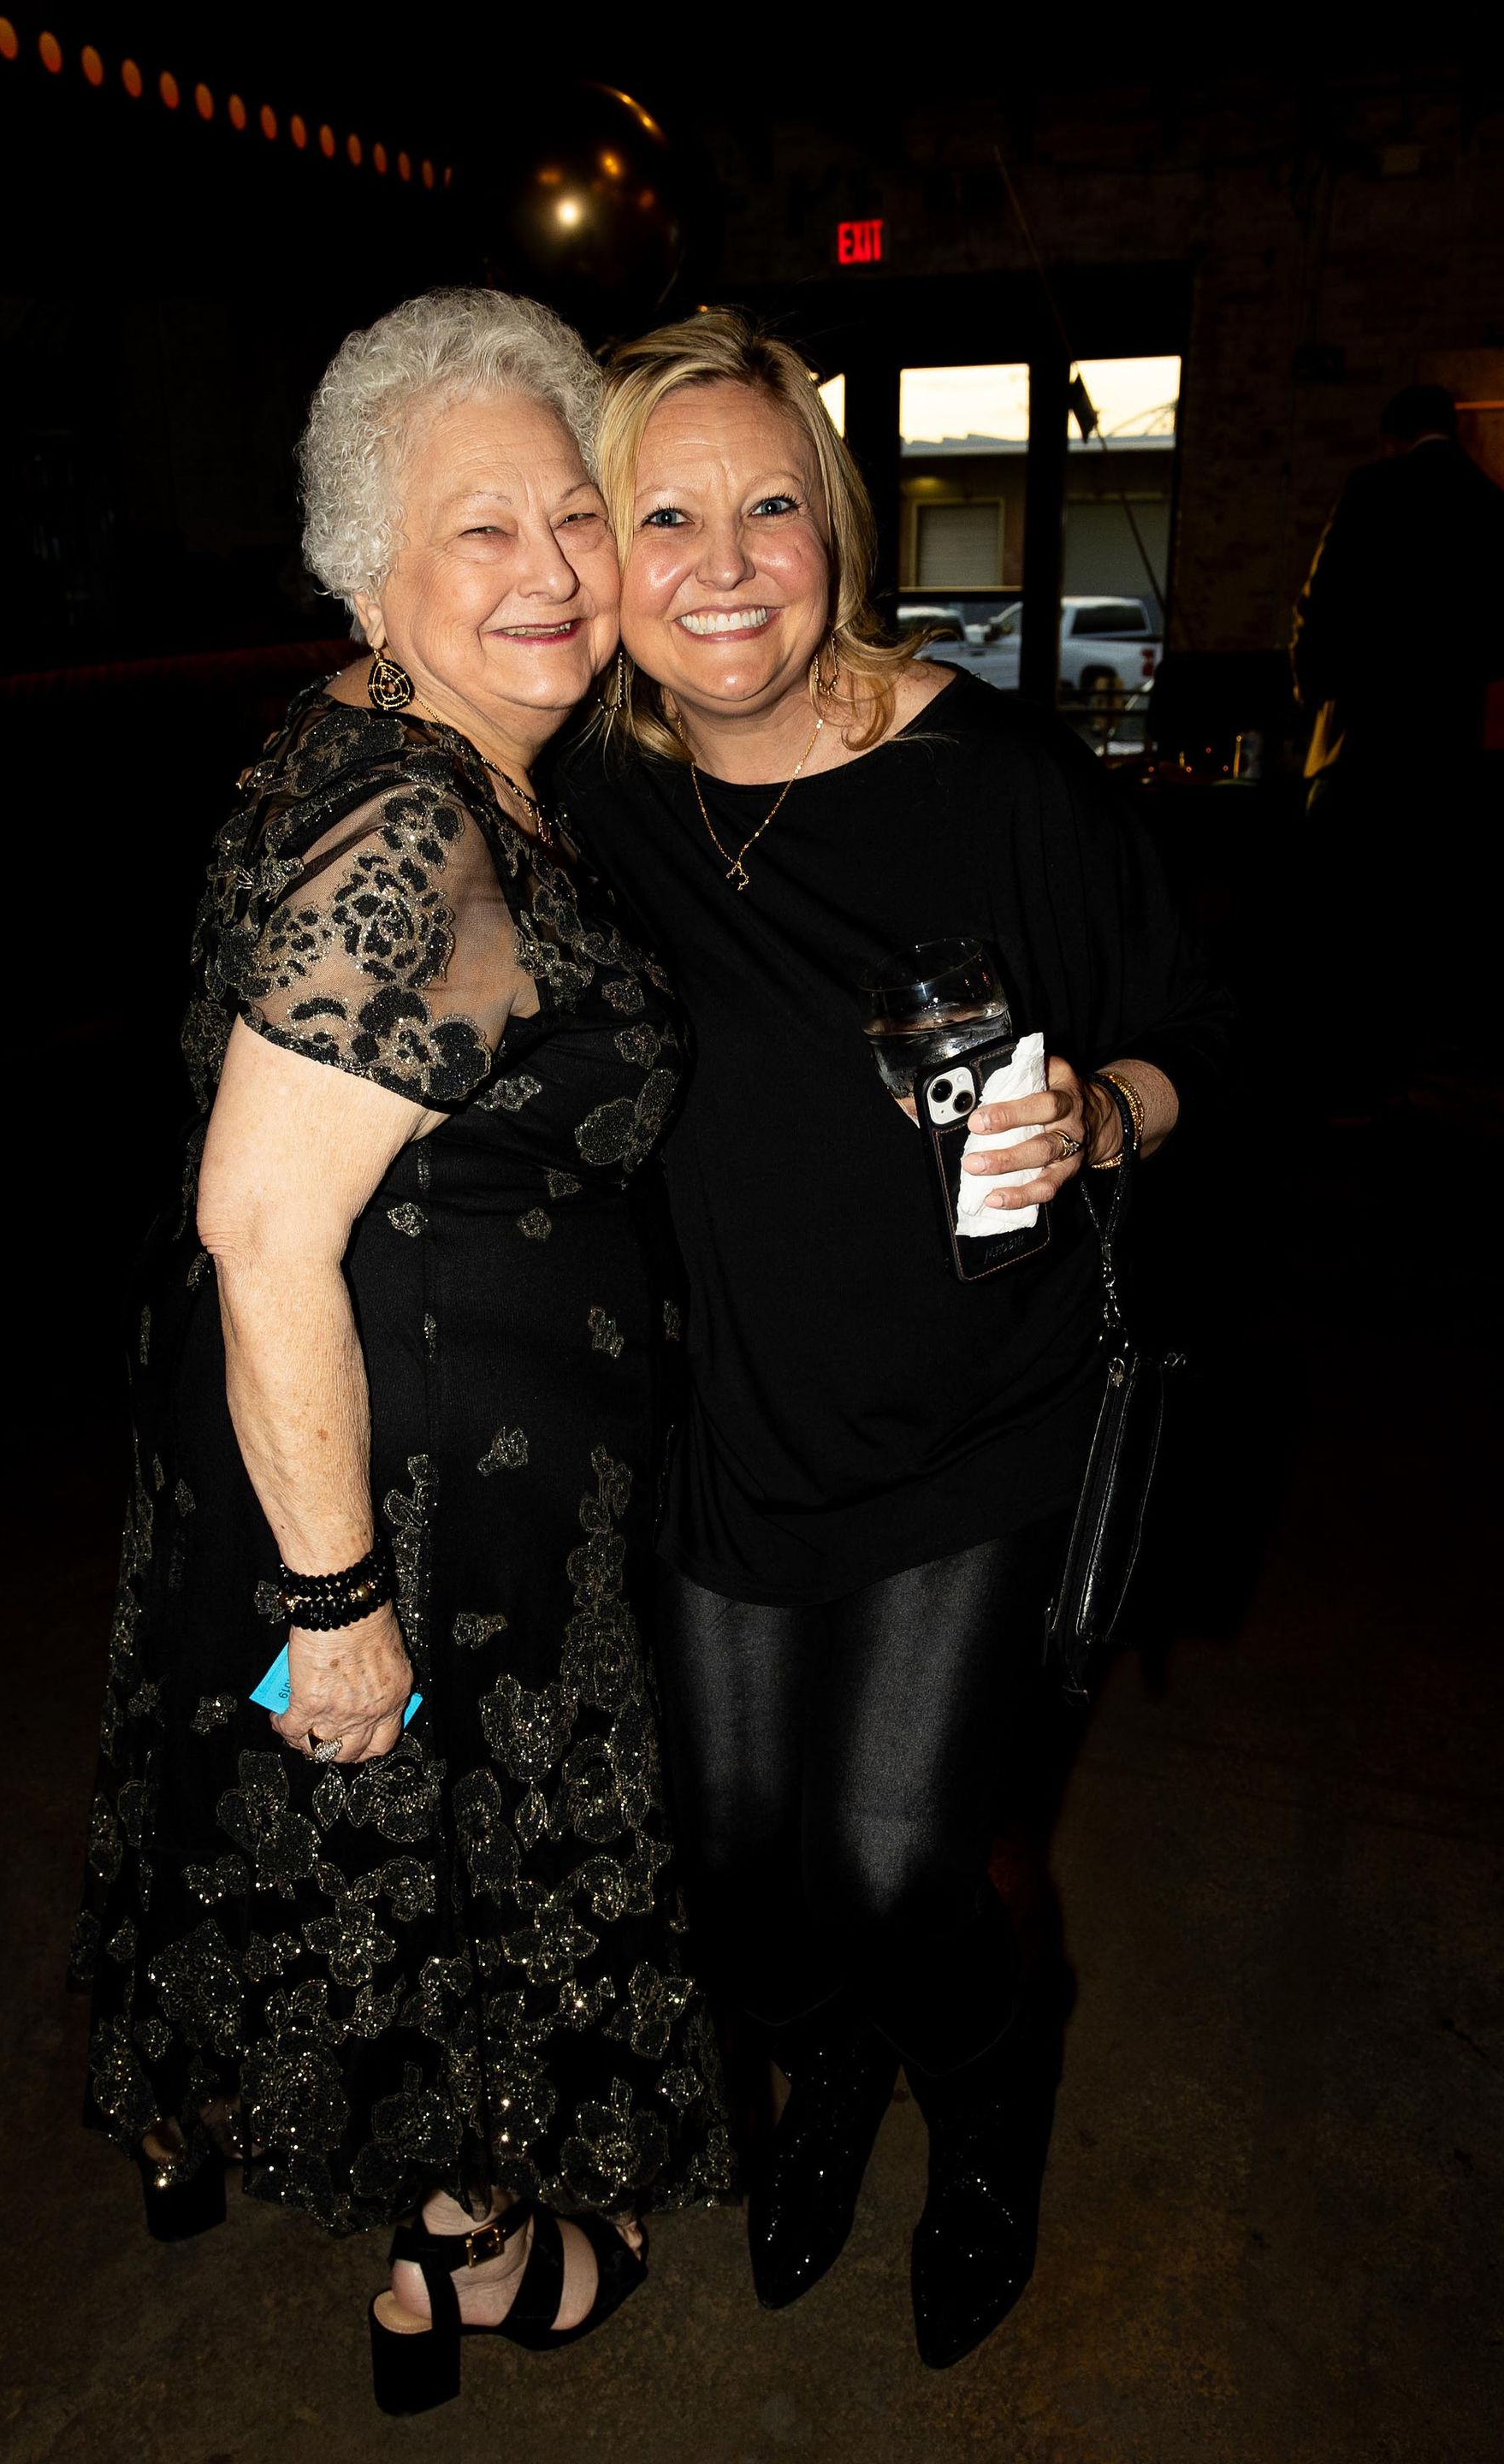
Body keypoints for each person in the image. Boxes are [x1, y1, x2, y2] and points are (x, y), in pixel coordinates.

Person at [72, 288, 731, 2421]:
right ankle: (466, 2252)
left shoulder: (384, 744)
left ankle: (408, 2237)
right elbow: (261, 1219)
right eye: (479, 533)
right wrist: (340, 1601)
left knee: (407, 1873)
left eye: (570, 515)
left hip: (401, 1446)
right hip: (424, 1496)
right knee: (444, 1873)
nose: (549, 573)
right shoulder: (415, 823)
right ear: (369, 568)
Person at [557, 311, 1231, 2369]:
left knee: (898, 1853)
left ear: (836, 524)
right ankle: (825, 2064)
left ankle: (986, 2117)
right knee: (750, 1890)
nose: (728, 561)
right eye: (666, 515)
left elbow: (1189, 1039)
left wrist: (1106, 1109)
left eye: (773, 504)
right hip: (720, 1434)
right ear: (603, 550)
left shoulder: (993, 774)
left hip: (971, 1421)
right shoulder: (590, 792)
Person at [1291, 383, 1504, 1103]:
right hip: (1446, 743)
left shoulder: (1375, 487)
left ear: (1390, 437)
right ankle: (1411, 1079)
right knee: (1425, 912)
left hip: (1365, 739)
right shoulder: (1490, 501)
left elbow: (1321, 602)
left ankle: (1343, 1083)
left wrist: (1310, 702)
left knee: (1347, 916)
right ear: (1453, 432)